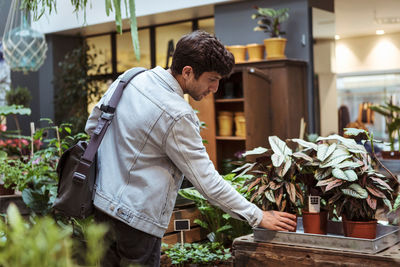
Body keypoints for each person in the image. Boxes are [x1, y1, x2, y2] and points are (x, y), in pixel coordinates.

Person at [85, 30, 296, 267]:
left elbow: (93, 126)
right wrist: (258, 216)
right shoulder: (177, 114)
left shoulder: (132, 78)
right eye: (212, 79)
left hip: (101, 209)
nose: (215, 88)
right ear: (187, 72)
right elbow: (207, 181)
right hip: (136, 223)